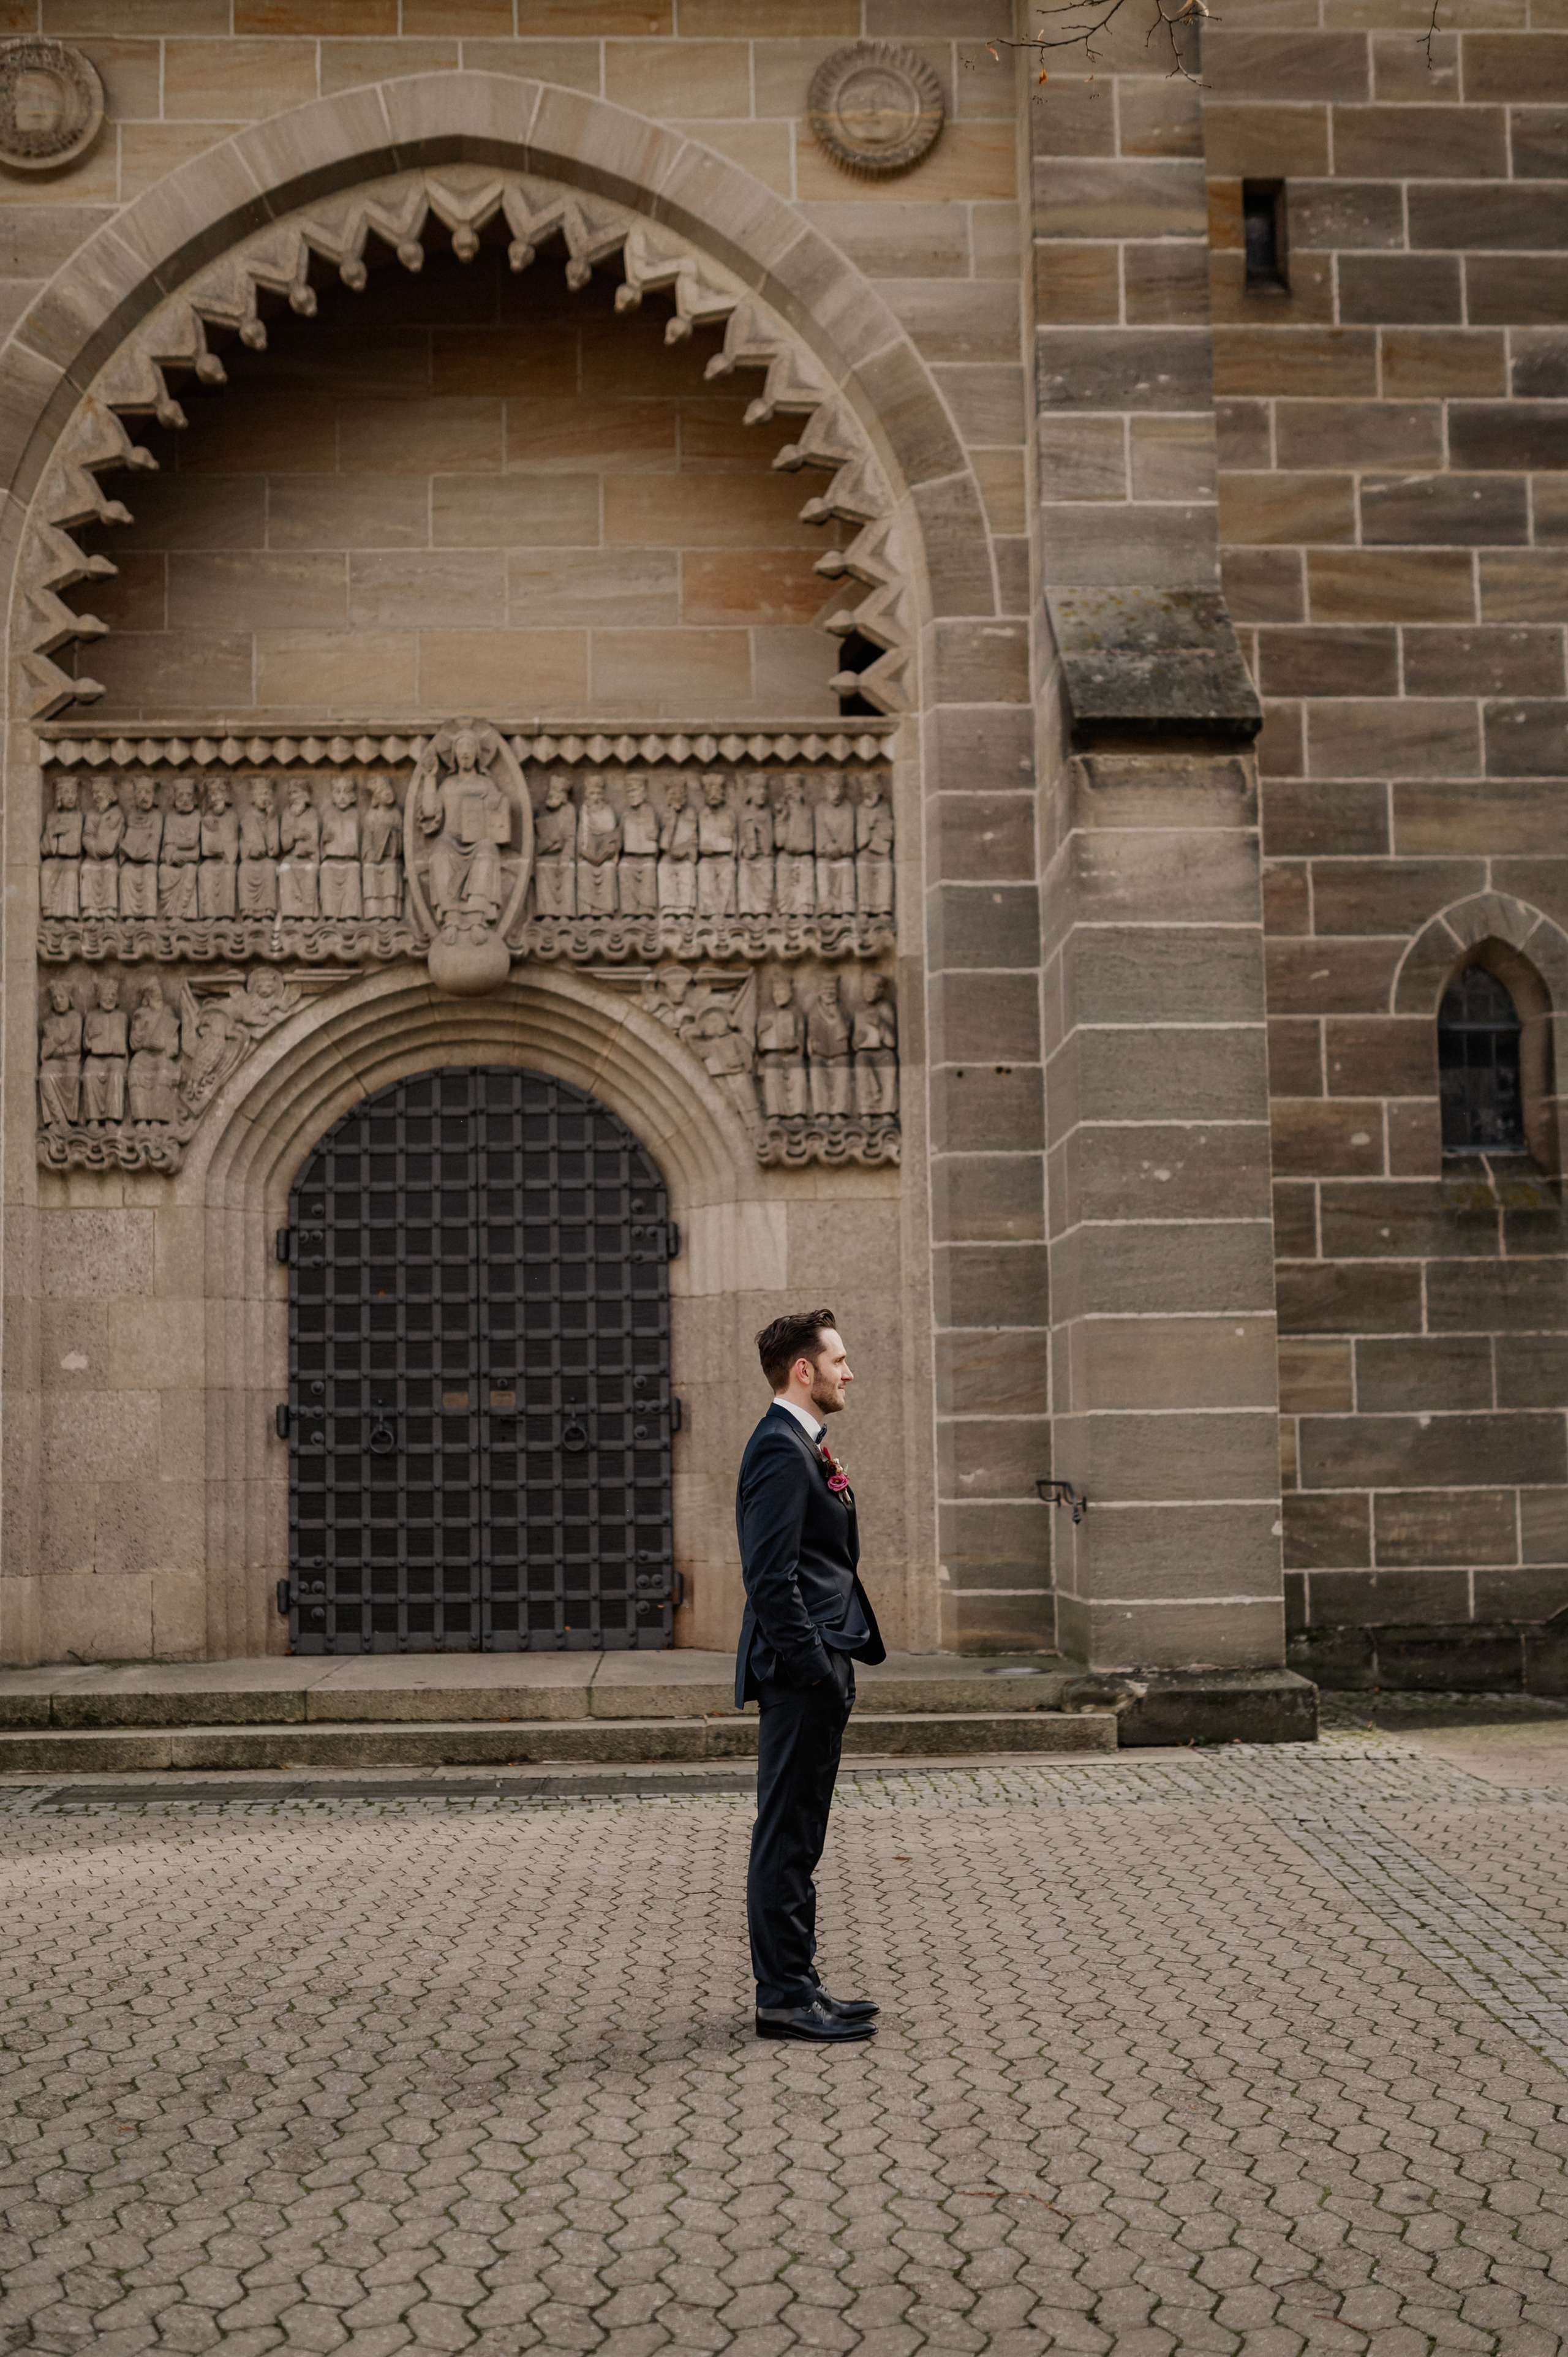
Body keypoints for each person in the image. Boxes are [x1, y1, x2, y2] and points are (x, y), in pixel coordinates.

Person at [735, 1310, 885, 2044]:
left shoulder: (800, 1443)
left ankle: (800, 1982)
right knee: (786, 1835)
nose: (848, 1371)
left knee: (801, 1832)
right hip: (801, 1671)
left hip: (821, 1660)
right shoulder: (777, 1448)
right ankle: (783, 1999)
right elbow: (769, 1578)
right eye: (839, 1359)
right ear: (805, 1369)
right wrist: (814, 1671)